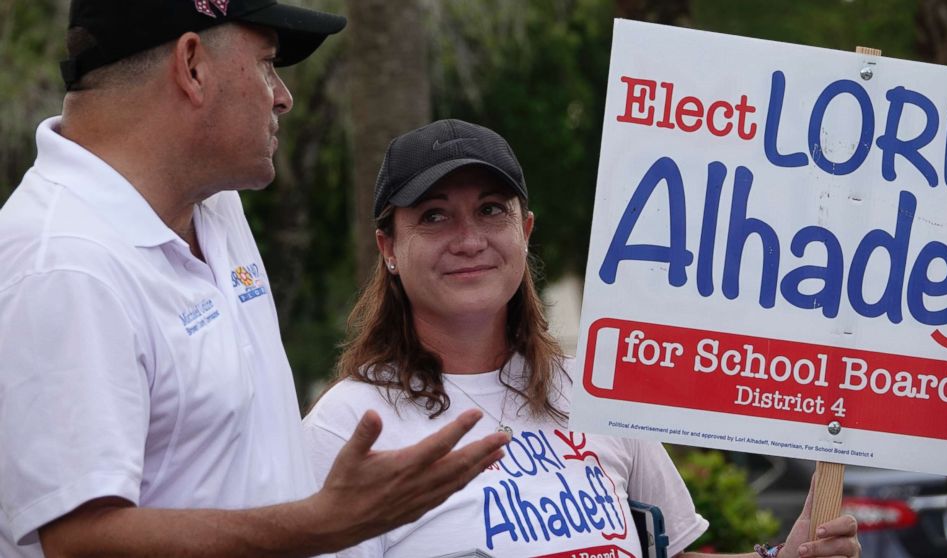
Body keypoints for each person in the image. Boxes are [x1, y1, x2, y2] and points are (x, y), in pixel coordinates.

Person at [0, 3, 509, 557]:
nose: (283, 96)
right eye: (267, 64)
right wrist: (323, 524)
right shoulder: (62, 263)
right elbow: (79, 542)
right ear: (192, 65)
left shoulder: (213, 203)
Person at [302, 119, 863, 558]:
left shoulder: (595, 390)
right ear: (388, 250)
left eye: (491, 210)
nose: (469, 239)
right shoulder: (346, 426)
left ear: (524, 231)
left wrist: (784, 555)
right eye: (433, 216)